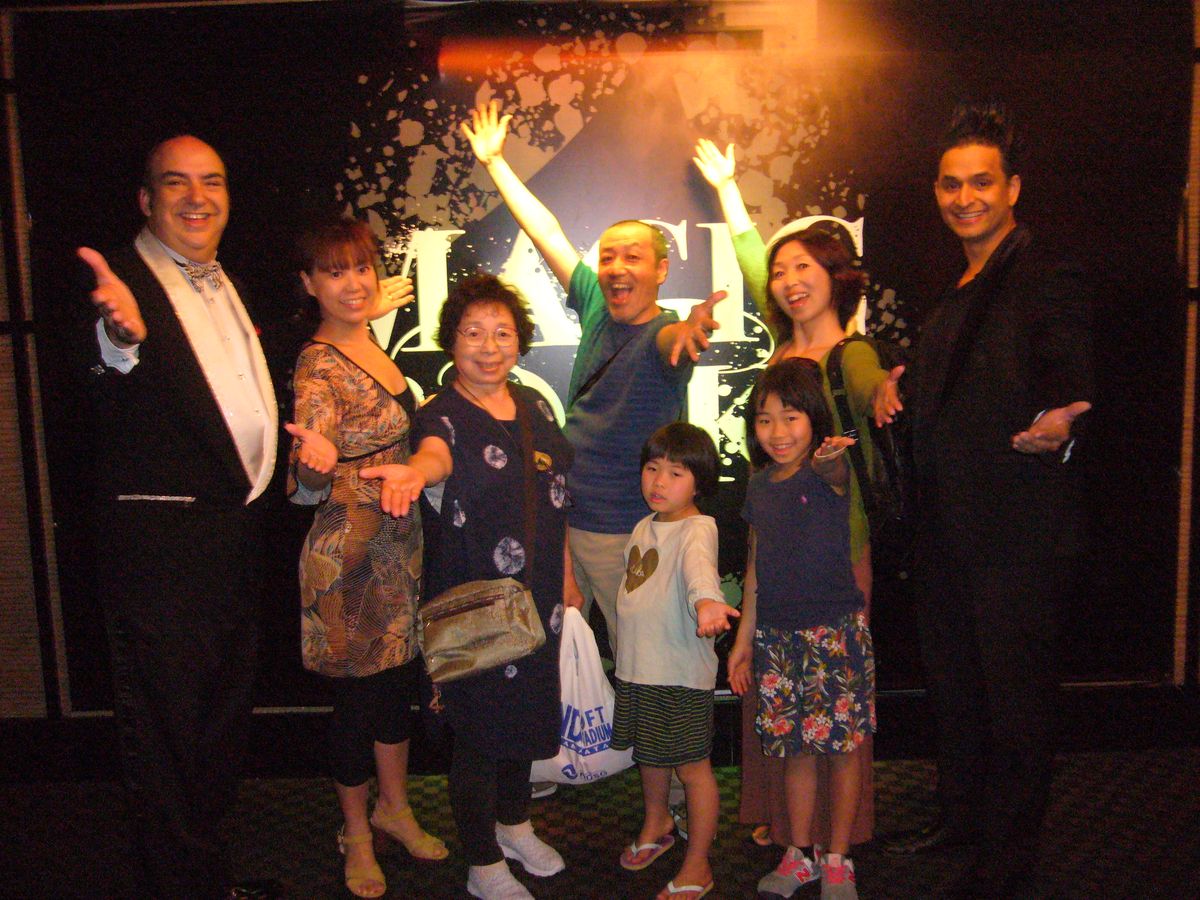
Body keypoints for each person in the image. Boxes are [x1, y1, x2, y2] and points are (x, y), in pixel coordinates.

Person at [875, 102, 1092, 898]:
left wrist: (1063, 423)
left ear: (1012, 189)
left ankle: (1008, 859)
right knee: (957, 695)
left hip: (1016, 539)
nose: (964, 197)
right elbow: (958, 388)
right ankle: (962, 822)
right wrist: (898, 386)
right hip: (946, 537)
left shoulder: (1042, 272)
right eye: (950, 184)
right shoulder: (956, 288)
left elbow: (1072, 376)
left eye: (981, 182)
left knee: (1015, 706)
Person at [77, 135, 280, 899]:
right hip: (162, 550)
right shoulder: (116, 281)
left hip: (231, 539)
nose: (197, 197)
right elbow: (100, 366)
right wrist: (119, 337)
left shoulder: (229, 280)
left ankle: (206, 878)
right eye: (176, 182)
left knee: (217, 727)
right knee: (166, 734)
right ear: (145, 199)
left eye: (212, 182)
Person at [460, 101, 724, 661]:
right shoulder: (596, 305)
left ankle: (649, 726)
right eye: (608, 258)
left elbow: (672, 344)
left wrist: (689, 332)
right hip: (563, 519)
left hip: (623, 531)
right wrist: (496, 163)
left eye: (633, 258)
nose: (617, 268)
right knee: (555, 654)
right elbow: (546, 232)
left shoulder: (663, 335)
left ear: (661, 270)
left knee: (640, 657)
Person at [693, 139, 885, 850]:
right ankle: (785, 821)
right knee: (776, 697)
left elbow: (871, 385)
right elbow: (756, 261)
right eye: (781, 272)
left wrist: (886, 392)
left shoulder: (851, 353)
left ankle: (837, 836)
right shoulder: (784, 349)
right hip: (776, 556)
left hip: (838, 560)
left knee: (835, 708)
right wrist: (727, 189)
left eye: (805, 268)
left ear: (838, 277)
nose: (787, 281)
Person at [363, 273, 579, 900]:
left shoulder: (535, 407)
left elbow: (556, 496)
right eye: (474, 333)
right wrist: (415, 472)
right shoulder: (441, 415)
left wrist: (565, 574)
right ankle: (482, 863)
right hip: (474, 603)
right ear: (451, 341)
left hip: (538, 598)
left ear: (521, 341)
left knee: (527, 716)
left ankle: (514, 825)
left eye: (502, 333)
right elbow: (435, 456)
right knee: (481, 733)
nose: (489, 347)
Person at [285, 216, 447, 899]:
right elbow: (306, 478)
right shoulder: (317, 365)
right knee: (356, 705)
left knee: (394, 691)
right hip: (348, 560)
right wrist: (313, 463)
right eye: (333, 272)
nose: (352, 283)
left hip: (396, 550)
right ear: (308, 284)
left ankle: (395, 809)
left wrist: (370, 310)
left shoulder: (367, 338)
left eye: (360, 267)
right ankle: (355, 832)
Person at [728, 359, 875, 900]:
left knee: (843, 751)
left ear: (813, 420)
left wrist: (832, 459)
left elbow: (836, 474)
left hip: (834, 634)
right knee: (796, 752)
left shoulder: (826, 473)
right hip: (778, 639)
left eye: (791, 417)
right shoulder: (759, 485)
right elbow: (755, 567)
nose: (778, 432)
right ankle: (800, 854)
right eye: (765, 420)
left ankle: (838, 858)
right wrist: (743, 641)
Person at [611, 423, 740, 900]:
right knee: (649, 753)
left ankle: (698, 863)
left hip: (678, 676)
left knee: (691, 768)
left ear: (699, 483)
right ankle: (657, 821)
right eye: (652, 469)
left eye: (675, 473)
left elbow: (699, 573)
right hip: (639, 669)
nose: (659, 482)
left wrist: (707, 603)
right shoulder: (645, 525)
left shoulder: (697, 529)